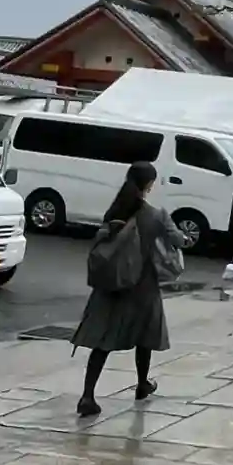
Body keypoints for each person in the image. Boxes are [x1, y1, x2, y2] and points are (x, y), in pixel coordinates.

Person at [74, 162, 184, 418]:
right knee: (145, 336)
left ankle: (88, 395)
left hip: (111, 286)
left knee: (102, 341)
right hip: (143, 286)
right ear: (149, 185)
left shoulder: (115, 211)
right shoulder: (156, 215)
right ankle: (142, 383)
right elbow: (178, 239)